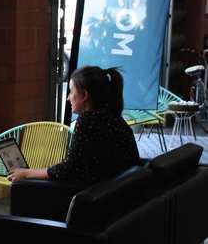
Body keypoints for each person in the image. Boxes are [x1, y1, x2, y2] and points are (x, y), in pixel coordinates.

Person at [8, 65, 140, 184]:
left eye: (71, 92)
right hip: (120, 192)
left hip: (102, 196)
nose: (68, 97)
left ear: (84, 95)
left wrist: (27, 173)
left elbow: (70, 170)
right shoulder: (114, 118)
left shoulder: (88, 121)